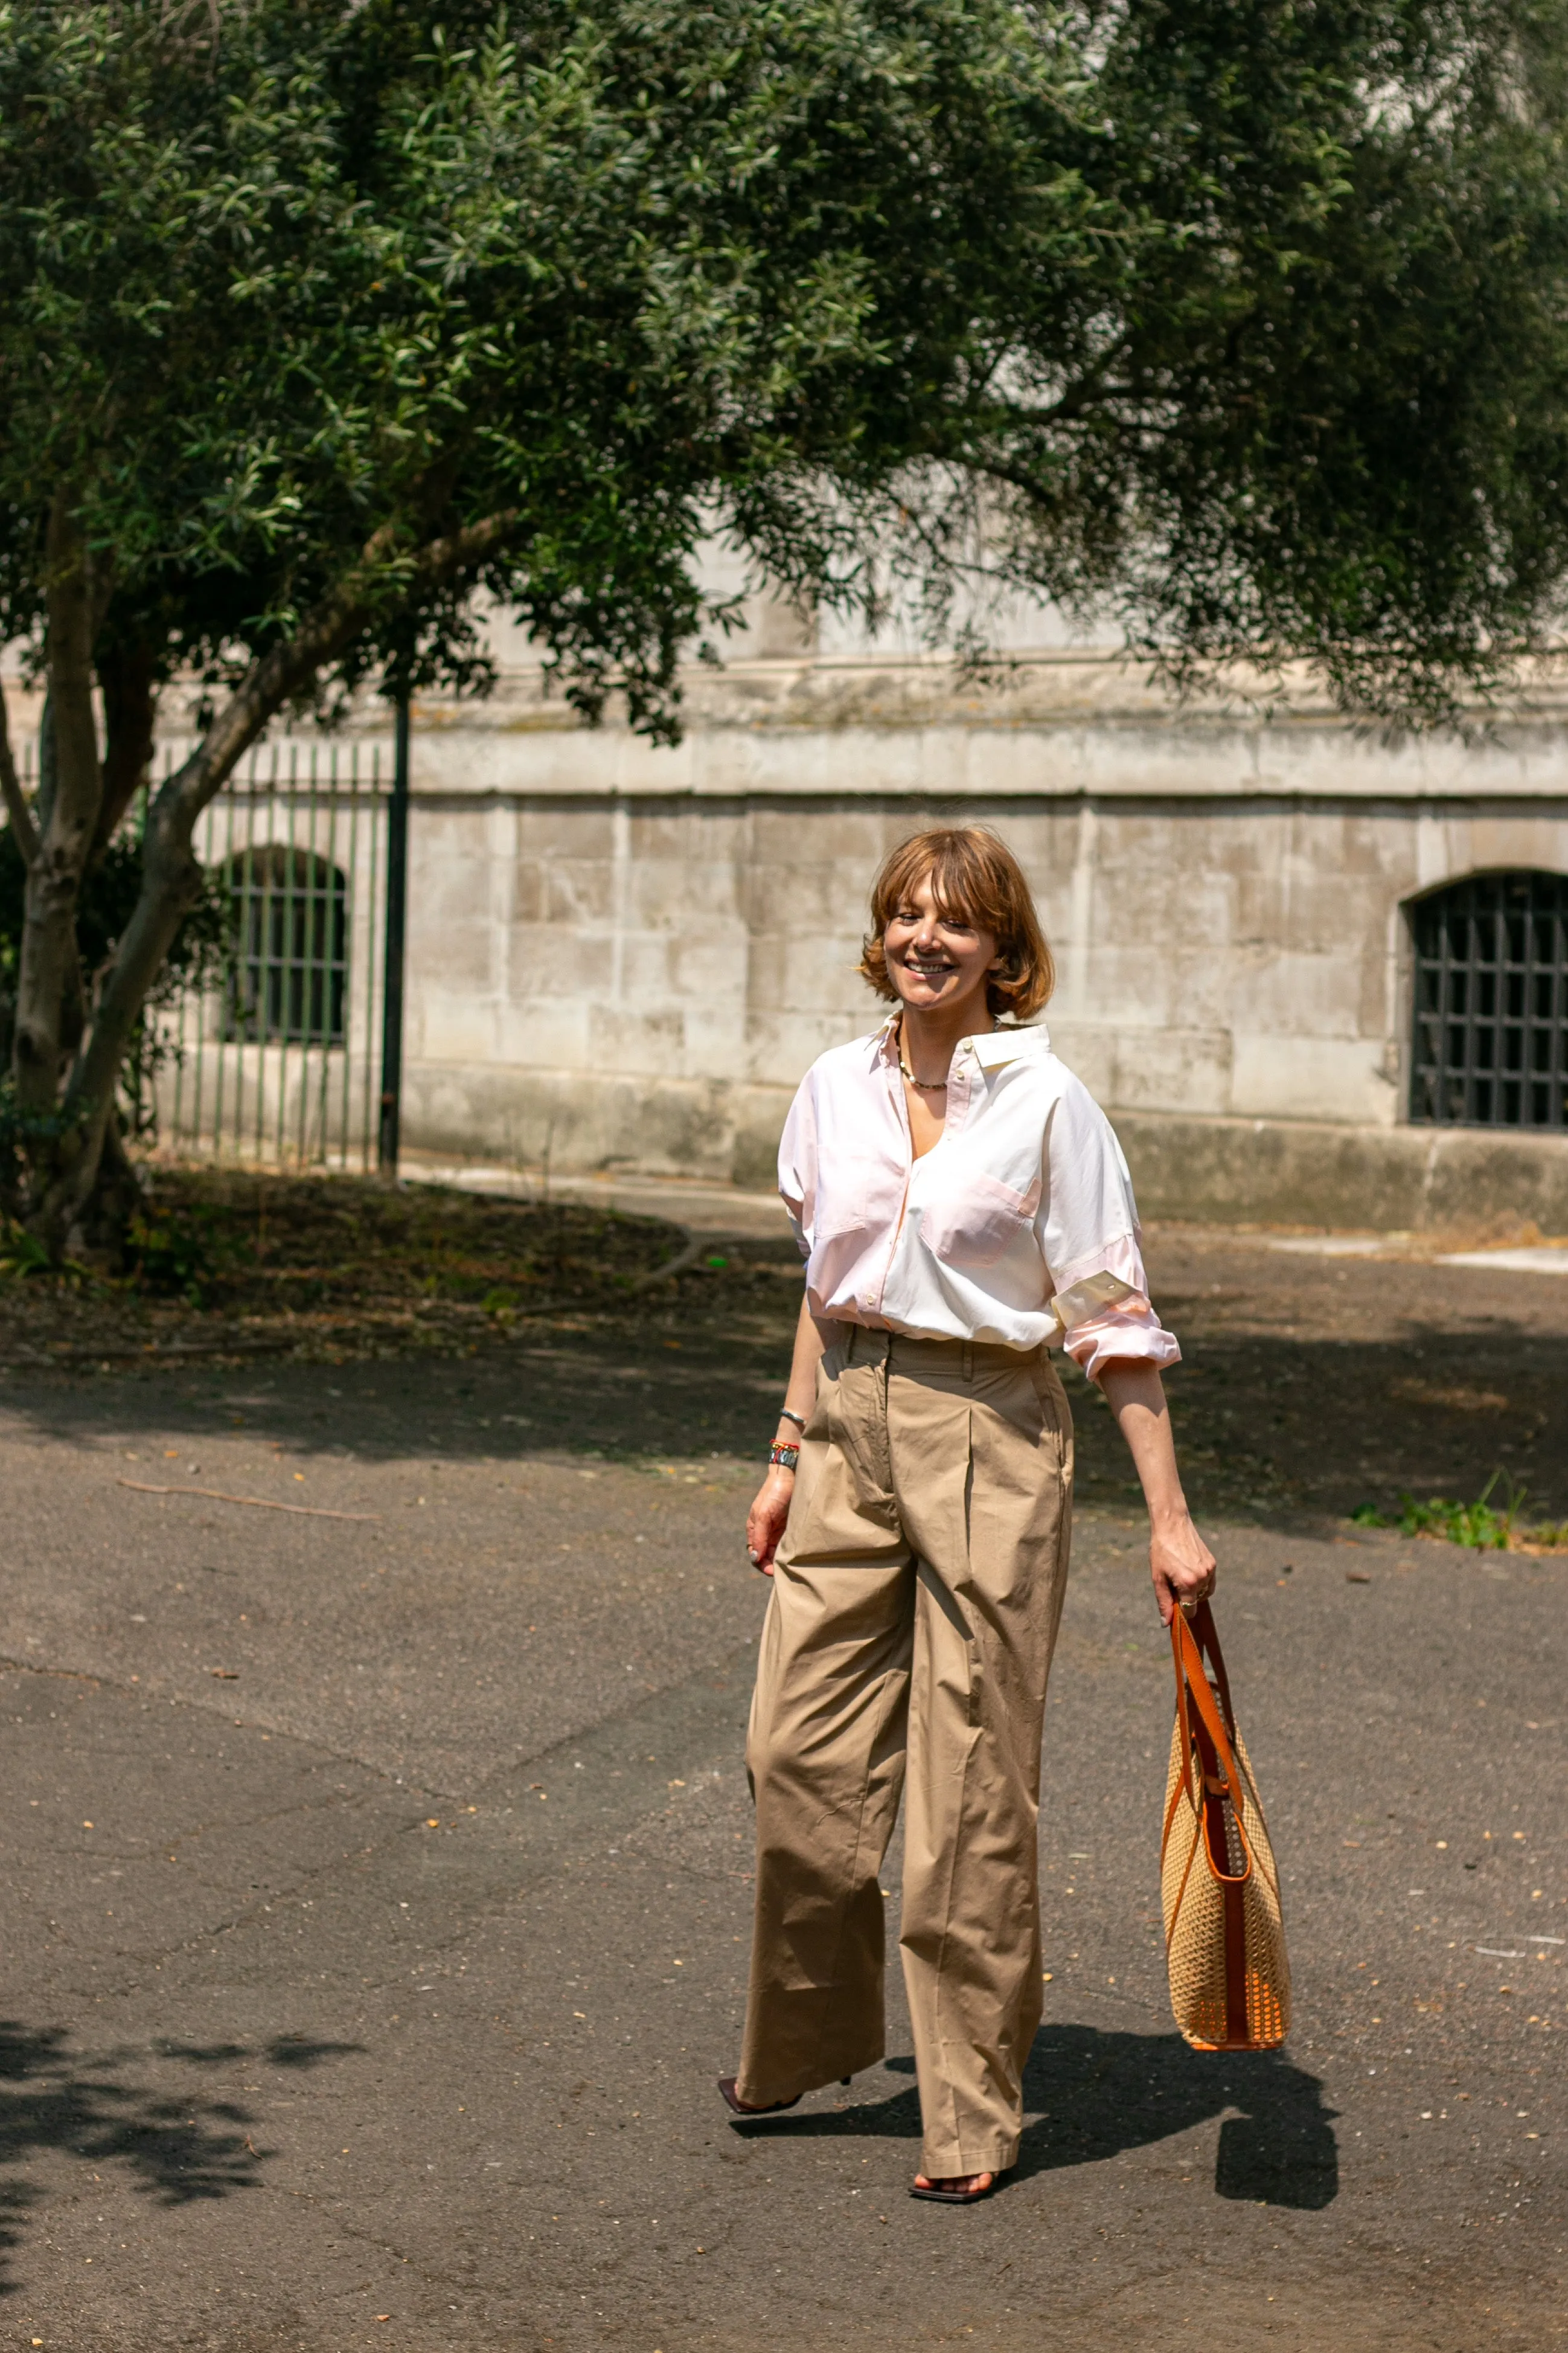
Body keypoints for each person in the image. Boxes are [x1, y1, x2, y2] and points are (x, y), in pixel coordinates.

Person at [718, 824, 1216, 2204]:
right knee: (791, 1761)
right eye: (903, 915)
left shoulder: (1047, 1103)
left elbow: (1111, 1321)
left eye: (954, 921)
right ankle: (809, 2038)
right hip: (848, 1431)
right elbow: (822, 1288)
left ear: (1003, 949)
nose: (923, 939)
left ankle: (968, 2115)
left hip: (992, 1428)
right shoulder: (831, 1087)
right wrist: (782, 1450)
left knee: (970, 1793)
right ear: (878, 933)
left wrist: (1167, 1520)